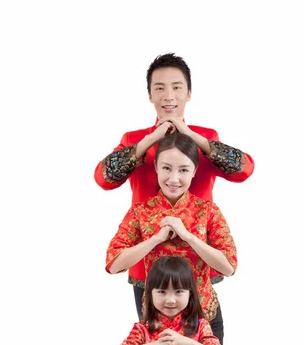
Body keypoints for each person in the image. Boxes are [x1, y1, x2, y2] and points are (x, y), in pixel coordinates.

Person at [106, 133, 237, 345]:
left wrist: (190, 236)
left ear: (195, 172)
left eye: (183, 169)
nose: (174, 177)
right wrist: (157, 238)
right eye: (166, 168)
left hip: (203, 319)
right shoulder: (142, 213)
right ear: (157, 169)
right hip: (156, 322)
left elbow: (229, 265)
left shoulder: (207, 211)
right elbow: (114, 262)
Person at [95, 52, 254, 315]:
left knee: (204, 343)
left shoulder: (205, 137)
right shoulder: (133, 139)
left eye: (177, 87)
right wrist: (150, 139)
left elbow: (244, 170)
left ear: (189, 93)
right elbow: (103, 178)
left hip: (199, 261)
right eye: (159, 88)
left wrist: (191, 136)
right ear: (150, 95)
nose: (168, 95)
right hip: (146, 263)